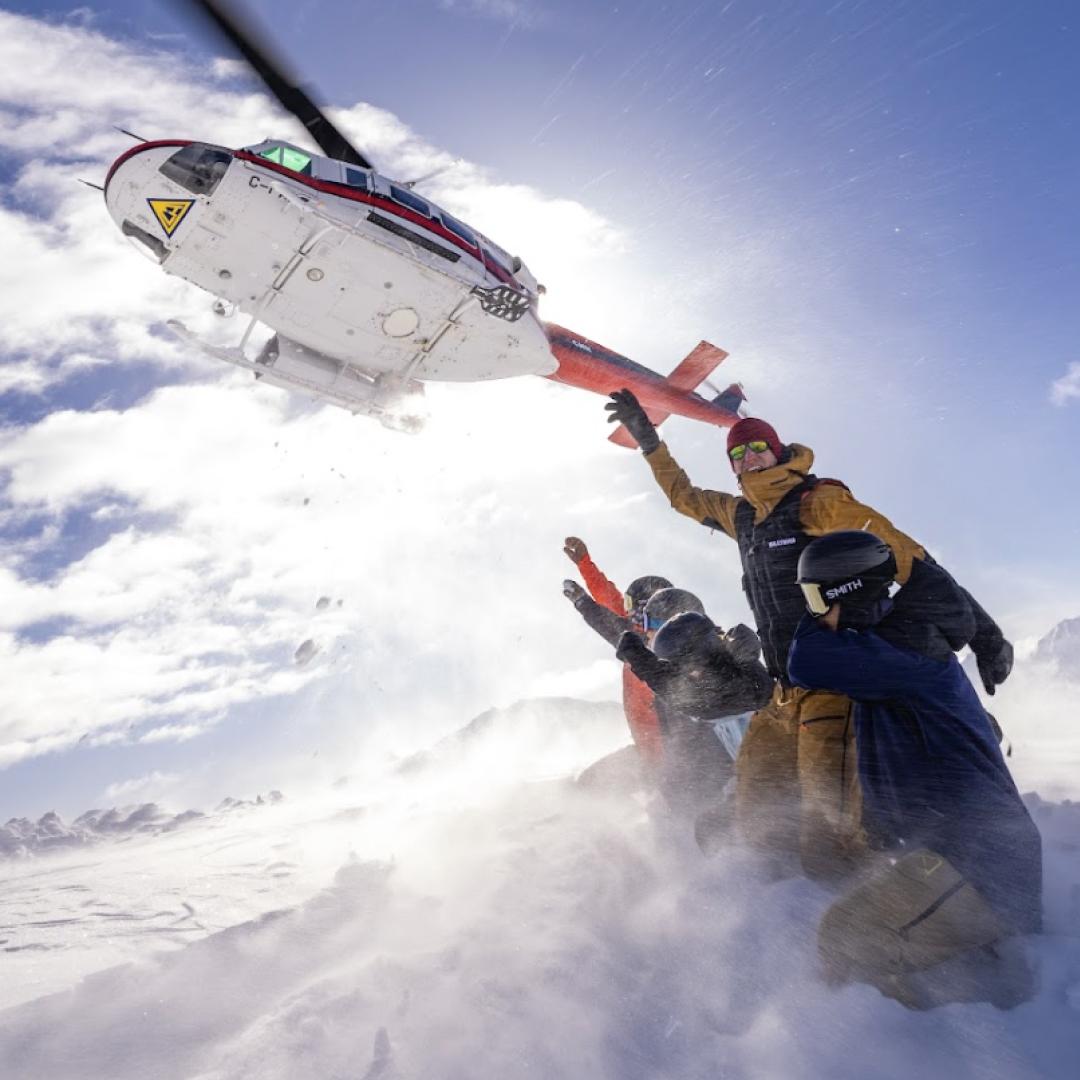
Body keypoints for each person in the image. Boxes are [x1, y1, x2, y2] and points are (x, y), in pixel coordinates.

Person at [604, 390, 1014, 880]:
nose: (749, 458)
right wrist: (650, 441)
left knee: (830, 843)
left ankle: (899, 887)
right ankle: (783, 898)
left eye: (758, 447)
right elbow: (683, 497)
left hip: (832, 686)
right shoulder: (742, 516)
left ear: (777, 450)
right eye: (738, 453)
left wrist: (984, 633)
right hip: (783, 693)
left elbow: (909, 557)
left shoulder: (817, 502)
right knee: (758, 820)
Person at [787, 531, 1042, 1008]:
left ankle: (918, 1029)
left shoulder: (900, 656)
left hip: (985, 873)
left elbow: (802, 659)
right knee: (852, 918)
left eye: (817, 598)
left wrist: (836, 612)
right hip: (960, 857)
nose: (815, 614)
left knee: (842, 936)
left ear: (849, 592)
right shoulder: (896, 644)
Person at [617, 609, 773, 851]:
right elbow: (672, 683)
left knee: (712, 827)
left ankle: (758, 863)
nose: (686, 675)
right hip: (749, 775)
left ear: (702, 655)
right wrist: (638, 655)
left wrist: (637, 656)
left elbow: (678, 692)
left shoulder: (736, 687)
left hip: (768, 781)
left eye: (685, 666)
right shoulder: (733, 667)